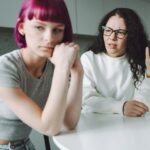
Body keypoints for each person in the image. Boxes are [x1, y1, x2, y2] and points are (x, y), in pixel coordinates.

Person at [0, 0, 83, 149]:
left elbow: (68, 123)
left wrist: (77, 72)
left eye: (57, 30)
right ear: (22, 27)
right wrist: (63, 67)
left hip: (25, 145)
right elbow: (49, 128)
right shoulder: (4, 67)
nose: (49, 38)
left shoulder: (55, 67)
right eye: (39, 27)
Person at [81, 8, 150, 117]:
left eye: (120, 32)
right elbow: (86, 98)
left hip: (128, 125)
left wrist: (149, 74)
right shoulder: (88, 59)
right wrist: (122, 107)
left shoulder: (138, 61)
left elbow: (142, 105)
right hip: (93, 124)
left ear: (131, 36)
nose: (112, 37)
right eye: (108, 30)